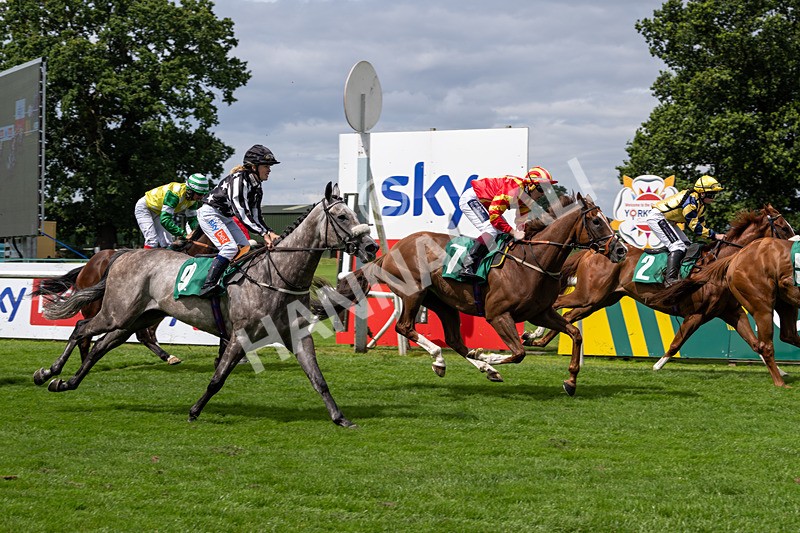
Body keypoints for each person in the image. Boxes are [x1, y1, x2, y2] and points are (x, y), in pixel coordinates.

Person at [196, 144, 281, 296]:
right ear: (253, 166)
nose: (269, 170)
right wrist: (263, 233)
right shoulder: (238, 180)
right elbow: (242, 212)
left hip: (225, 218)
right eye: (266, 166)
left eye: (270, 166)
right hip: (210, 215)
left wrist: (269, 231)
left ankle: (234, 280)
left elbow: (256, 215)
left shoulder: (257, 187)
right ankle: (208, 285)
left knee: (245, 247)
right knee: (229, 248)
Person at [457, 166, 557, 278]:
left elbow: (520, 220)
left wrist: (521, 230)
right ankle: (466, 264)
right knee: (492, 229)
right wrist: (514, 232)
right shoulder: (513, 189)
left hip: (486, 203)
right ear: (531, 185)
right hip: (473, 198)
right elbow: (494, 216)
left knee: (502, 233)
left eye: (547, 190)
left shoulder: (527, 198)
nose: (543, 194)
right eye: (541, 189)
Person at [645, 174, 726, 287]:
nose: (714, 198)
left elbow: (702, 226)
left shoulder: (700, 204)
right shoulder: (691, 202)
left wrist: (712, 235)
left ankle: (678, 272)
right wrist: (715, 236)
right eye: (711, 194)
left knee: (687, 245)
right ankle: (670, 279)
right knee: (677, 247)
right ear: (702, 193)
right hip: (657, 217)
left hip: (669, 221)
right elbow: (695, 228)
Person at [135, 173, 210, 249]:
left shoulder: (193, 200)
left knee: (167, 243)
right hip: (145, 207)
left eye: (203, 194)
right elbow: (165, 220)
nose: (201, 197)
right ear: (190, 190)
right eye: (199, 194)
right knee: (152, 241)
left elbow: (192, 220)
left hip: (159, 211)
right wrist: (183, 234)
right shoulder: (175, 194)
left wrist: (195, 232)